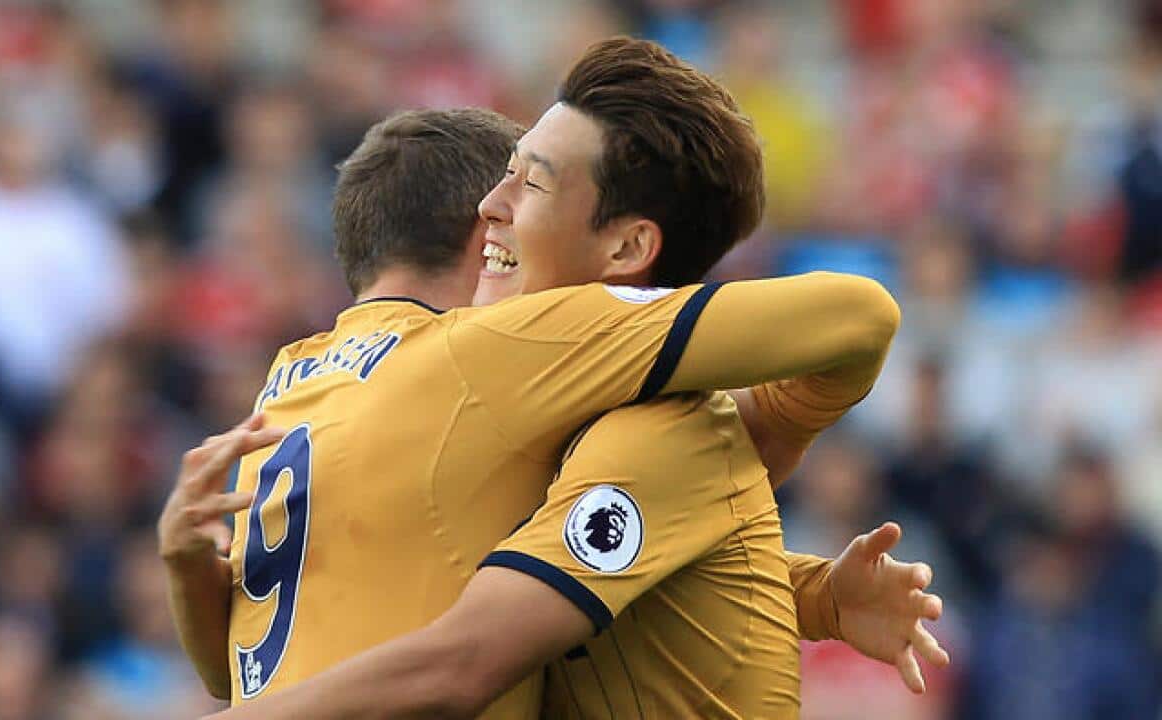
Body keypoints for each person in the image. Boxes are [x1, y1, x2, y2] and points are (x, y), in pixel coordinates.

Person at [160, 42, 943, 718]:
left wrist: (765, 434)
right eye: (504, 178)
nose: (490, 208)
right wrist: (805, 580)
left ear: (627, 248)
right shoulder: (507, 413)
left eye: (528, 183)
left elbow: (460, 661)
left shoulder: (296, 379)